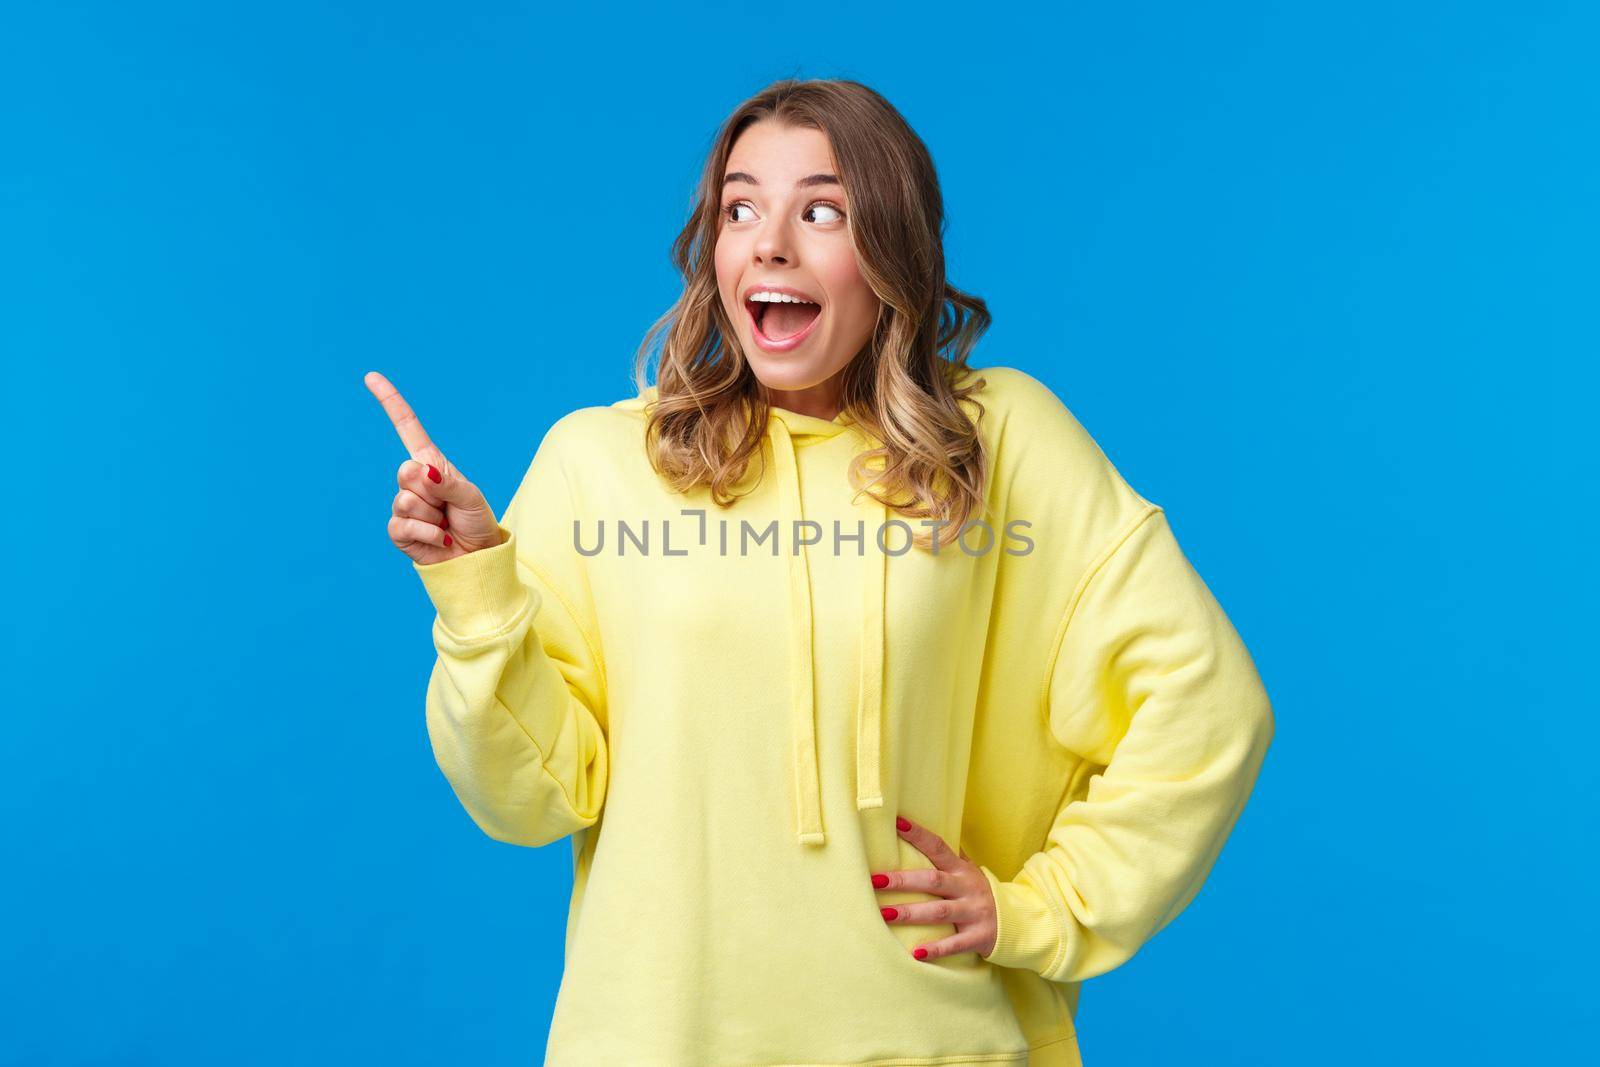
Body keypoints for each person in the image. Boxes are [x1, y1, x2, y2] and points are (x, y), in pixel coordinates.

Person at [365, 78, 1274, 1067]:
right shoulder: (599, 464)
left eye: (823, 212)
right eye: (741, 207)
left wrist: (1044, 906)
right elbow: (529, 799)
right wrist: (476, 584)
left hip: (941, 1040)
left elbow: (1207, 709)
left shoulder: (999, 441)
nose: (770, 244)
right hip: (657, 1040)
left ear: (892, 249)